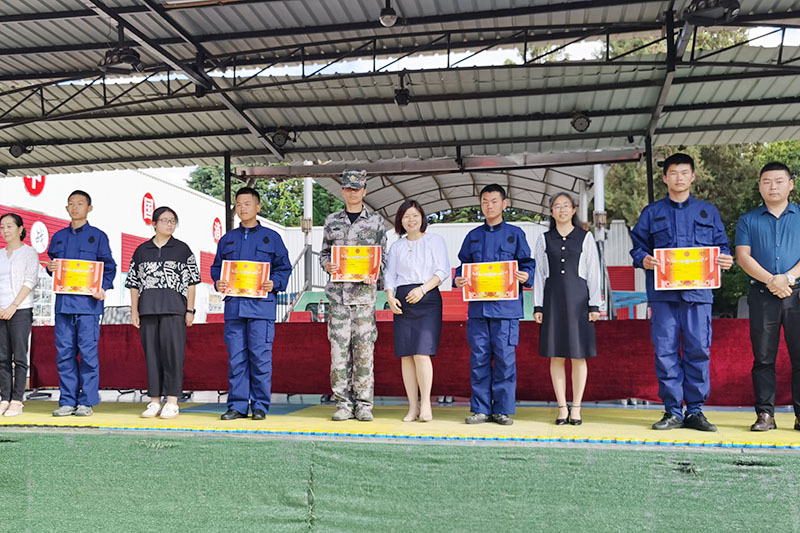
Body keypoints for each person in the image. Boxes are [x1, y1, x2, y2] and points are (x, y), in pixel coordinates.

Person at [630, 153, 733, 432]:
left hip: (698, 295)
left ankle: (695, 411)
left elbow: (722, 246)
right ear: (665, 178)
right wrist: (643, 259)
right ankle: (673, 411)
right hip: (664, 297)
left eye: (684, 172)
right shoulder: (652, 213)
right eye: (673, 173)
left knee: (698, 349)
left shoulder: (707, 212)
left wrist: (725, 258)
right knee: (665, 352)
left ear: (693, 177)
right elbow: (637, 247)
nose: (679, 178)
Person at [453, 184, 535, 425]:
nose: (489, 206)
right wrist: (459, 278)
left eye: (494, 201)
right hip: (478, 311)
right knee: (478, 359)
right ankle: (480, 409)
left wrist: (526, 276)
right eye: (485, 201)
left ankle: (502, 410)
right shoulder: (473, 236)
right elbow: (462, 266)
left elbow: (528, 264)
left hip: (506, 311)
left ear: (504, 204)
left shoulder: (515, 234)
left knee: (505, 361)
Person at [210, 187, 292, 421]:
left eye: (247, 203)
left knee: (260, 358)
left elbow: (284, 267)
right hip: (235, 308)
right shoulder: (227, 239)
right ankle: (237, 406)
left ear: (258, 207)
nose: (242, 208)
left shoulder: (272, 238)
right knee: (236, 359)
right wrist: (219, 282)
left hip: (261, 308)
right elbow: (217, 268)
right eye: (238, 204)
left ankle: (259, 406)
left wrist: (274, 282)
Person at [735, 162, 800, 432]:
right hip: (762, 294)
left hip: (797, 294)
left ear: (790, 184)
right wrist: (772, 281)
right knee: (763, 358)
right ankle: (765, 414)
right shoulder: (748, 220)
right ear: (760, 186)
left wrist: (788, 279)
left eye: (779, 181)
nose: (773, 187)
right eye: (766, 182)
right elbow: (743, 257)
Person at [320, 169, 388, 422]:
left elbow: (383, 258)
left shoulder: (376, 222)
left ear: (364, 191)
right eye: (348, 188)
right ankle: (343, 404)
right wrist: (327, 265)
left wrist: (374, 272)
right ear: (342, 191)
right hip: (338, 300)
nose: (352, 192)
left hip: (363, 300)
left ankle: (363, 404)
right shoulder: (331, 221)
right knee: (338, 356)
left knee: (363, 354)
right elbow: (324, 253)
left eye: (356, 188)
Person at [533, 193, 601, 426]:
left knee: (578, 355)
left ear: (573, 210)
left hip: (579, 302)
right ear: (551, 212)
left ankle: (577, 407)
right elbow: (540, 275)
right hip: (552, 301)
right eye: (556, 206)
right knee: (557, 355)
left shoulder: (585, 237)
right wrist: (538, 305)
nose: (561, 210)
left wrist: (594, 304)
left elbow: (593, 272)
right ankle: (562, 407)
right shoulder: (544, 239)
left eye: (566, 206)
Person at [47, 190, 116, 417]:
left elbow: (109, 267)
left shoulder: (98, 236)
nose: (75, 207)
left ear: (89, 208)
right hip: (64, 306)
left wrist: (102, 287)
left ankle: (86, 402)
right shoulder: (58, 237)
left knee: (88, 355)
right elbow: (54, 266)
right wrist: (49, 268)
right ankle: (67, 401)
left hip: (88, 308)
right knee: (64, 354)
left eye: (80, 203)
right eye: (71, 203)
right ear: (66, 208)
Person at [126, 207, 200, 419]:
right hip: (148, 310)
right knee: (152, 356)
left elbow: (192, 282)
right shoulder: (141, 250)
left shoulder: (183, 249)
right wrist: (134, 310)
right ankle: (154, 401)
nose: (170, 224)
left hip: (175, 310)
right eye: (165, 220)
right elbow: (133, 283)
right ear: (154, 224)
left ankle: (173, 401)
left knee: (173, 356)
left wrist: (190, 310)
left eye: (173, 221)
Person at [385, 200, 450, 422]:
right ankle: (412, 406)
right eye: (406, 216)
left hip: (427, 298)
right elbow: (390, 275)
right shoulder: (396, 247)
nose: (411, 220)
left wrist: (422, 289)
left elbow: (442, 271)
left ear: (422, 217)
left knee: (422, 353)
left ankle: (426, 405)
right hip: (403, 300)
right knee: (406, 355)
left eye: (415, 215)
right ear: (400, 221)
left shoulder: (435, 241)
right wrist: (390, 297)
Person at [0, 214, 40, 417]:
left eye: (9, 226)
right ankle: (4, 398)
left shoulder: (29, 252)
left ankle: (17, 400)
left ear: (20, 229)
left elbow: (30, 280)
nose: (5, 230)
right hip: (1, 310)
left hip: (21, 309)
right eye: (2, 227)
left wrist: (13, 305)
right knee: (2, 358)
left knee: (20, 356)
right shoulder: (0, 254)